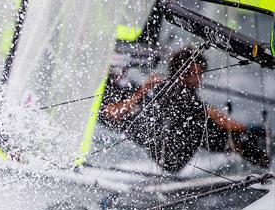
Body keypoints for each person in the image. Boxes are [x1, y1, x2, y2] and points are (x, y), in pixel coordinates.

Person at [100, 47, 269, 172]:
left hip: (170, 144)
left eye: (201, 73)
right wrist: (142, 91)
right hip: (168, 156)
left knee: (205, 122)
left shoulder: (171, 90)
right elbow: (111, 114)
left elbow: (210, 114)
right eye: (197, 73)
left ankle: (249, 149)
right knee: (236, 132)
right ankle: (251, 151)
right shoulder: (103, 90)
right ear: (183, 72)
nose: (201, 79)